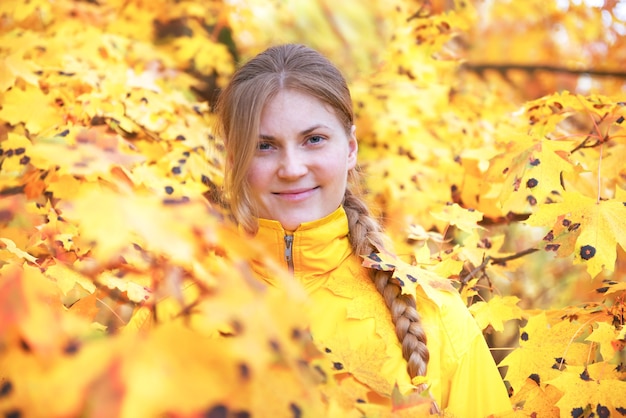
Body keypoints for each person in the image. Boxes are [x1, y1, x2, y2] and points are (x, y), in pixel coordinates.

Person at [215, 43, 511, 417]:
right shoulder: (179, 309)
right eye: (264, 145)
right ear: (233, 158)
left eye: (314, 140)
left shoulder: (436, 316)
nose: (291, 168)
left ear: (350, 147)